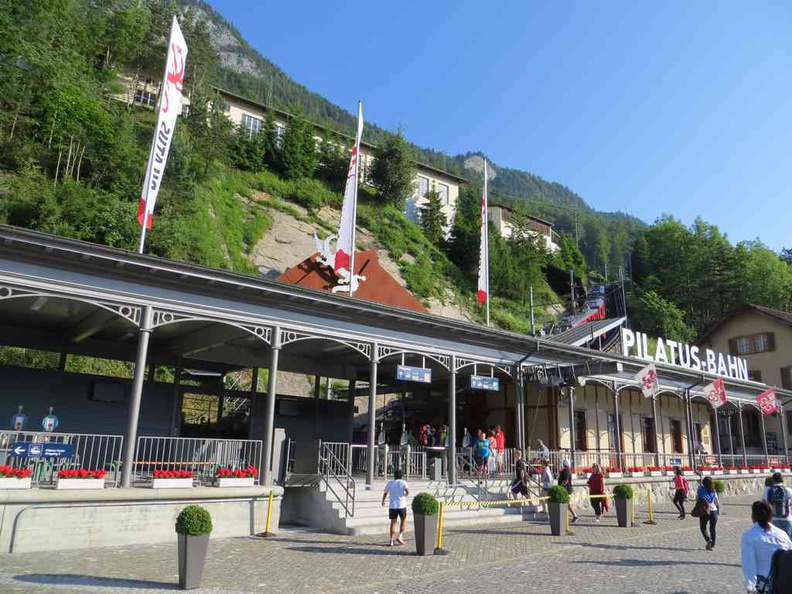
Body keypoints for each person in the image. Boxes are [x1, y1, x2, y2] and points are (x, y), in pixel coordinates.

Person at [741, 500, 792, 593]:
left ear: (753, 516)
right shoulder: (782, 535)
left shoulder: (750, 536)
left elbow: (749, 563)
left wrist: (750, 586)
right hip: (783, 583)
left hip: (763, 584)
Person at [381, 469, 410, 547]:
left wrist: (383, 500)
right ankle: (400, 535)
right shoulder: (403, 482)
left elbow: (385, 492)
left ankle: (391, 540)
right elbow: (407, 492)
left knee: (393, 522)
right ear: (402, 476)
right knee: (403, 520)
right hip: (402, 505)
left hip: (393, 505)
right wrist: (404, 494)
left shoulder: (390, 483)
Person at [763, 472, 792, 538]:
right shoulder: (788, 490)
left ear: (773, 480)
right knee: (789, 541)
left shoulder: (768, 491)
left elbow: (764, 504)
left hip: (774, 519)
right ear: (782, 480)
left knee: (777, 539)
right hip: (787, 518)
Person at [696, 475, 720, 550]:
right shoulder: (713, 490)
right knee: (713, 529)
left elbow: (697, 499)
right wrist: (718, 511)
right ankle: (712, 545)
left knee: (703, 527)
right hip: (714, 510)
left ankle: (708, 540)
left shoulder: (700, 489)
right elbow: (717, 502)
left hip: (705, 510)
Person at [558, 458, 580, 524]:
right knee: (566, 503)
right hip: (565, 489)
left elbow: (566, 481)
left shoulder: (566, 471)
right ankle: (573, 516)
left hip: (566, 490)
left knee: (566, 503)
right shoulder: (565, 470)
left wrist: (560, 487)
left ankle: (575, 516)